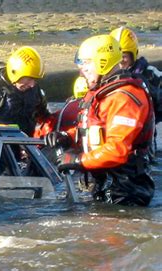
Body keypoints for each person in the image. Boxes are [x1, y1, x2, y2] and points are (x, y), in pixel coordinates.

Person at [46, 34, 155, 206]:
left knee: (112, 232)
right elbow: (93, 130)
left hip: (126, 189)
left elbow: (116, 151)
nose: (82, 69)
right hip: (104, 183)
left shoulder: (124, 97)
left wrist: (77, 160)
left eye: (87, 63)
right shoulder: (101, 93)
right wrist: (67, 137)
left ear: (103, 62)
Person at [110, 26, 162, 158]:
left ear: (134, 54)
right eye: (115, 56)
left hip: (142, 140)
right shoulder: (102, 77)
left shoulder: (151, 75)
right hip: (112, 137)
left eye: (124, 56)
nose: (120, 61)